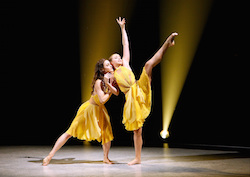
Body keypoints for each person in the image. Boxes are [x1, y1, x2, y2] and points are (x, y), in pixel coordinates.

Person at [108, 17, 178, 165]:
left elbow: (125, 44)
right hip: (131, 99)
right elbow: (114, 91)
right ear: (112, 63)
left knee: (148, 64)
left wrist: (122, 28)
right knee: (137, 130)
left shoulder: (125, 63)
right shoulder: (112, 75)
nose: (119, 58)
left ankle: (168, 43)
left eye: (119, 56)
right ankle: (138, 158)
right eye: (116, 57)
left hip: (139, 87)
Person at [42, 59, 119, 166]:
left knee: (107, 133)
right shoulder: (99, 82)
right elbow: (102, 100)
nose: (110, 65)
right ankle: (49, 156)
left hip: (100, 110)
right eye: (107, 64)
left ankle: (106, 158)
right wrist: (109, 88)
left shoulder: (110, 79)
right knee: (70, 133)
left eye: (110, 64)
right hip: (89, 110)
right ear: (102, 69)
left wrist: (110, 84)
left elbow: (117, 91)